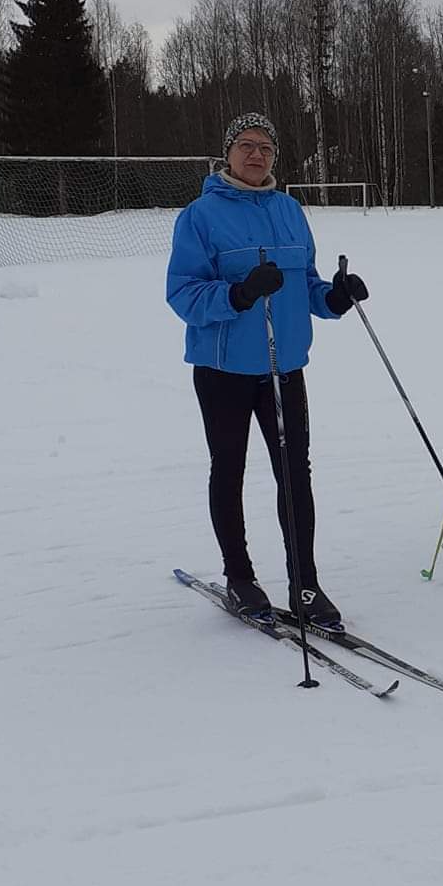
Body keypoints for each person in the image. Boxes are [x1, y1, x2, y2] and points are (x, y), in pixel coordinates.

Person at [166, 112, 368, 627]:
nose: (257, 155)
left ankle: (305, 584)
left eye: (266, 148)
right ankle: (240, 577)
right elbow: (182, 293)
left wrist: (336, 298)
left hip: (284, 367)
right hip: (223, 369)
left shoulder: (290, 210)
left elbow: (307, 285)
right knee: (229, 469)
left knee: (294, 474)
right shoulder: (200, 216)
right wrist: (237, 294)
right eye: (247, 146)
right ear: (227, 152)